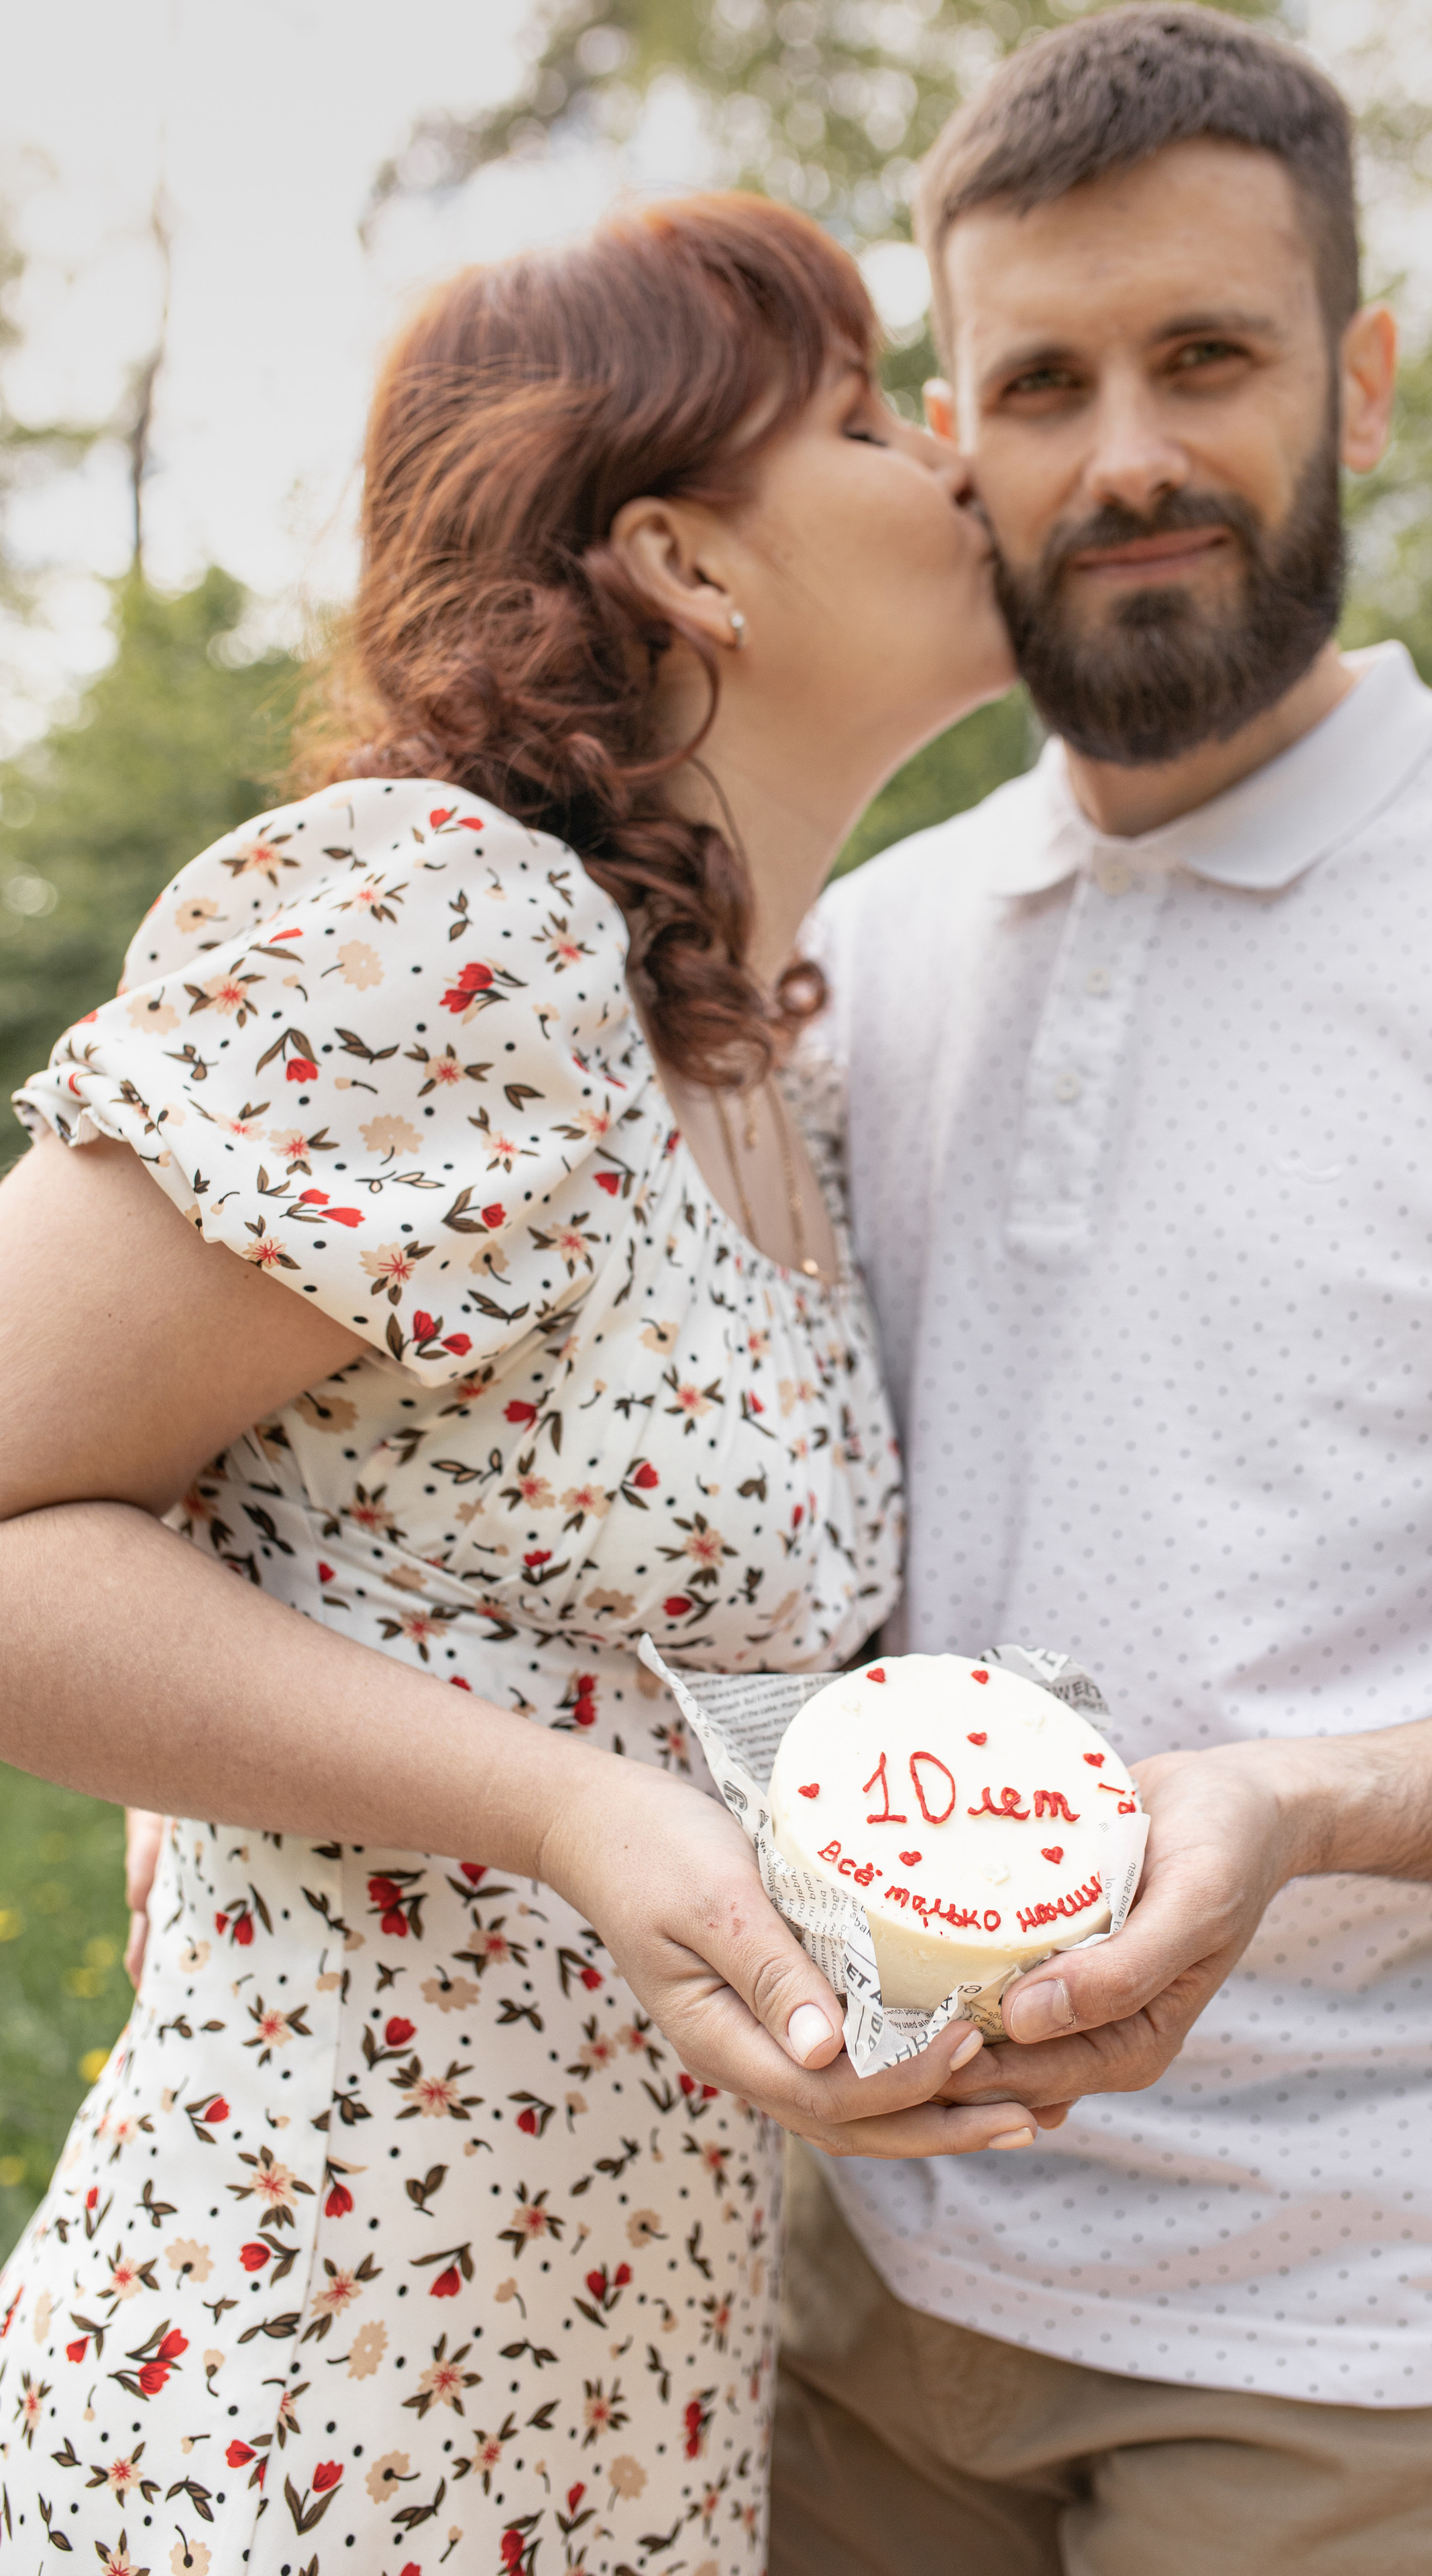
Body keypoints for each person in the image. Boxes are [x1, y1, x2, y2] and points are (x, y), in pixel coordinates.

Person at [0, 195, 1036, 2575]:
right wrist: (566, 1818)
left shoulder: (781, 1074)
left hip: (623, 2408)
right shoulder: (444, 930)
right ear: (688, 555)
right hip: (297, 2409)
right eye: (878, 416)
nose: (960, 453)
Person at [770, 10, 1432, 2573]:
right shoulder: (866, 946)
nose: (1128, 458)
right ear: (952, 430)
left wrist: (1303, 1812)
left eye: (1210, 358)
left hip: (1364, 2317)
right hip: (856, 2264)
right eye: (1042, 381)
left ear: (1365, 383)